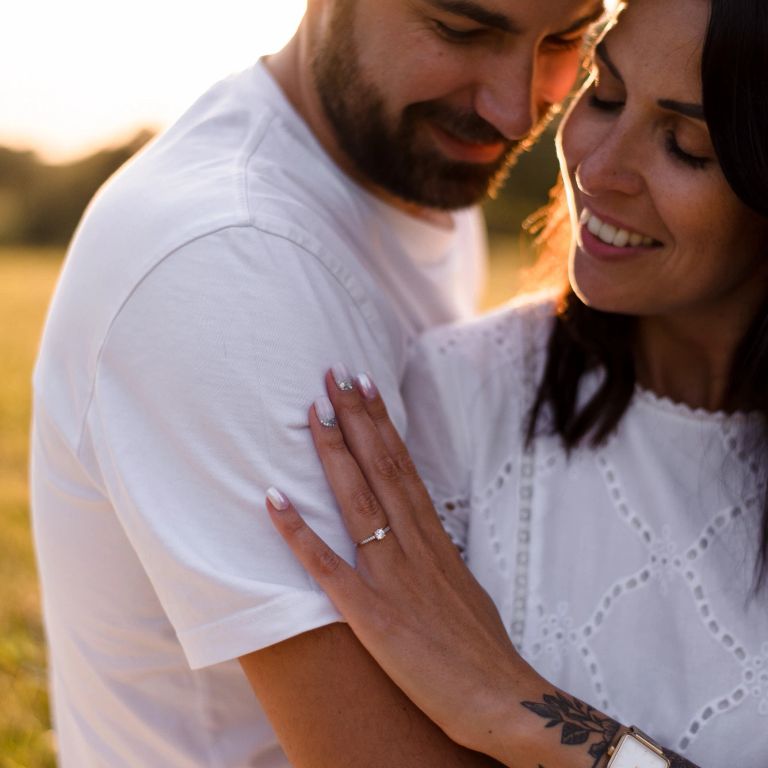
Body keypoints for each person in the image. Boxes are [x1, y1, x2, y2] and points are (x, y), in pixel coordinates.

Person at [31, 0, 609, 765]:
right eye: (461, 31)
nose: (513, 108)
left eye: (567, 39)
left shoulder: (413, 170)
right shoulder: (230, 263)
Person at [265, 0, 768, 766]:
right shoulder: (463, 400)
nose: (596, 170)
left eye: (684, 144)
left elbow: (501, 707)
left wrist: (518, 707)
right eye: (603, 94)